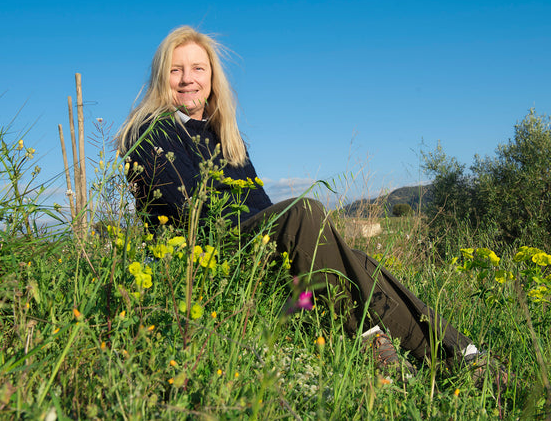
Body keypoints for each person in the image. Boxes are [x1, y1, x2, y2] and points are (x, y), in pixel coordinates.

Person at [116, 26, 506, 385]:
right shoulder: (149, 130)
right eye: (176, 70)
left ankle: (461, 356)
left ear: (212, 77)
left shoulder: (224, 135)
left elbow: (259, 205)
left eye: (198, 68)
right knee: (304, 212)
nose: (188, 79)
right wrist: (279, 233)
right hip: (204, 260)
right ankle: (371, 339)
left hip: (250, 250)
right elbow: (190, 212)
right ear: (160, 77)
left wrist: (288, 243)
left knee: (355, 260)